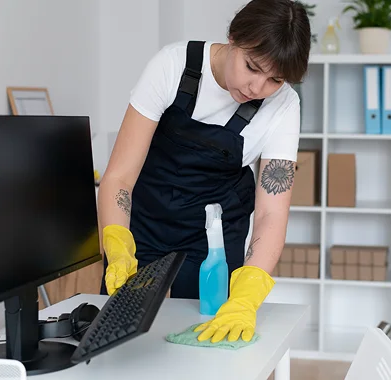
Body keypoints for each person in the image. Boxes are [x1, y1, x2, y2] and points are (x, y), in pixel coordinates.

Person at [96, 0, 311, 344]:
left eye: (275, 79)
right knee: (120, 339)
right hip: (144, 223)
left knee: (205, 338)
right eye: (252, 67)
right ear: (233, 37)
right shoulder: (172, 66)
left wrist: (249, 288)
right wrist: (118, 241)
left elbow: (272, 213)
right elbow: (119, 176)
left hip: (213, 239)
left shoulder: (284, 105)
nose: (257, 88)